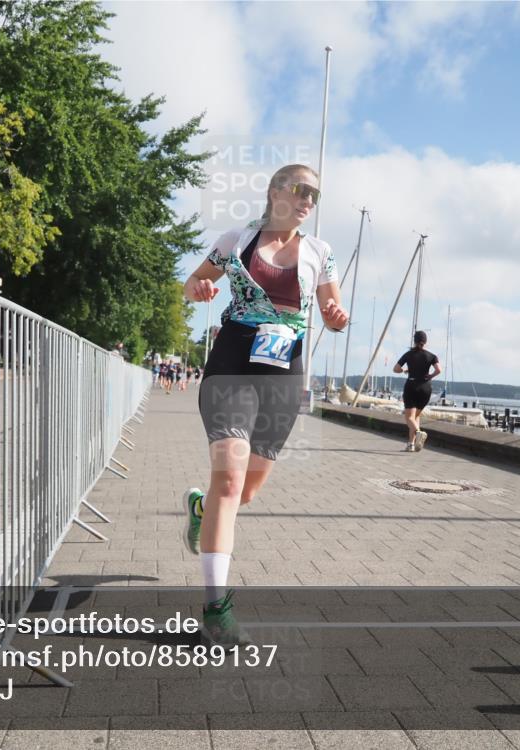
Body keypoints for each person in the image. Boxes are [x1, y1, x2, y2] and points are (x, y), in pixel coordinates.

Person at [181, 164, 349, 645]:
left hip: (282, 375)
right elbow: (194, 282)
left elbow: (334, 316)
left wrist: (337, 317)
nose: (308, 200)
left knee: (246, 493)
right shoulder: (237, 239)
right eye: (300, 189)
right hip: (233, 362)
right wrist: (201, 289)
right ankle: (216, 611)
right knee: (229, 480)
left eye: (315, 194)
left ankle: (200, 512)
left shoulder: (321, 253)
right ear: (275, 191)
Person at [394, 330, 441, 452]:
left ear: (414, 341)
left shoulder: (408, 354)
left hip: (412, 385)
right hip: (426, 388)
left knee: (409, 417)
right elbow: (438, 370)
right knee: (416, 417)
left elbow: (396, 368)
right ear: (425, 342)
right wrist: (430, 376)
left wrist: (404, 371)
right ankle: (411, 444)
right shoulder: (432, 356)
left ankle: (419, 433)